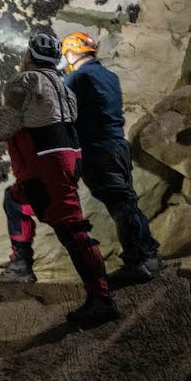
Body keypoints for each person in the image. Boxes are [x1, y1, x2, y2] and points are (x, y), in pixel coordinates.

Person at [0, 31, 119, 327]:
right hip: (67, 157)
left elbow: (10, 117)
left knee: (73, 229)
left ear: (29, 56)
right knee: (16, 200)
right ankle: (21, 266)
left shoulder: (25, 81)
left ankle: (101, 299)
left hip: (46, 162)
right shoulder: (64, 86)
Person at [61, 31, 164, 285]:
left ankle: (136, 261)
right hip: (118, 145)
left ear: (72, 53)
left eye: (66, 56)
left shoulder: (77, 77)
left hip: (97, 149)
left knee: (120, 205)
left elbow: (64, 113)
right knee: (128, 202)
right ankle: (149, 254)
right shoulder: (109, 76)